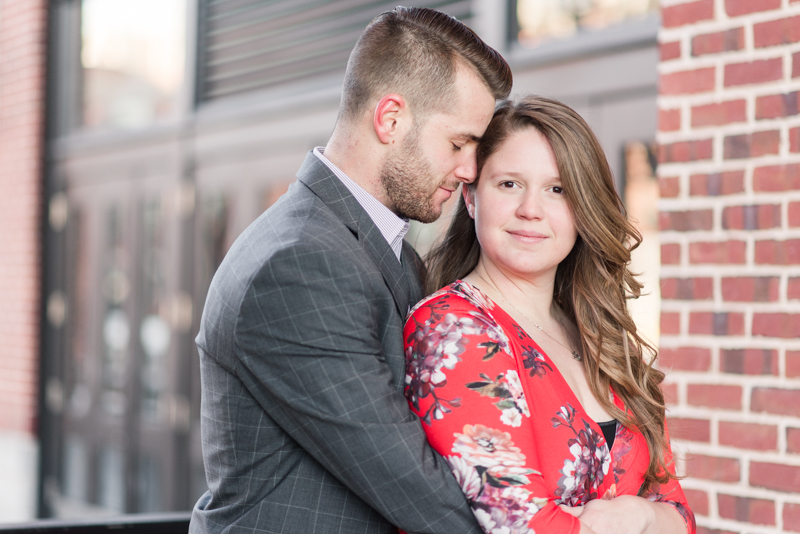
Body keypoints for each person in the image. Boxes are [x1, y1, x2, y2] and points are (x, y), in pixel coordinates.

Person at [190, 7, 513, 534]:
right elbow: (412, 484)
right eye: (458, 144)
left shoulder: (384, 251)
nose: (470, 170)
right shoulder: (298, 265)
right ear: (390, 119)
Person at [404, 96, 696, 534]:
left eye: (557, 189)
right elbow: (523, 526)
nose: (531, 209)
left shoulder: (600, 336)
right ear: (470, 196)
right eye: (508, 184)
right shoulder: (452, 328)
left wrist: (638, 515)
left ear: (582, 210)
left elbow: (680, 513)